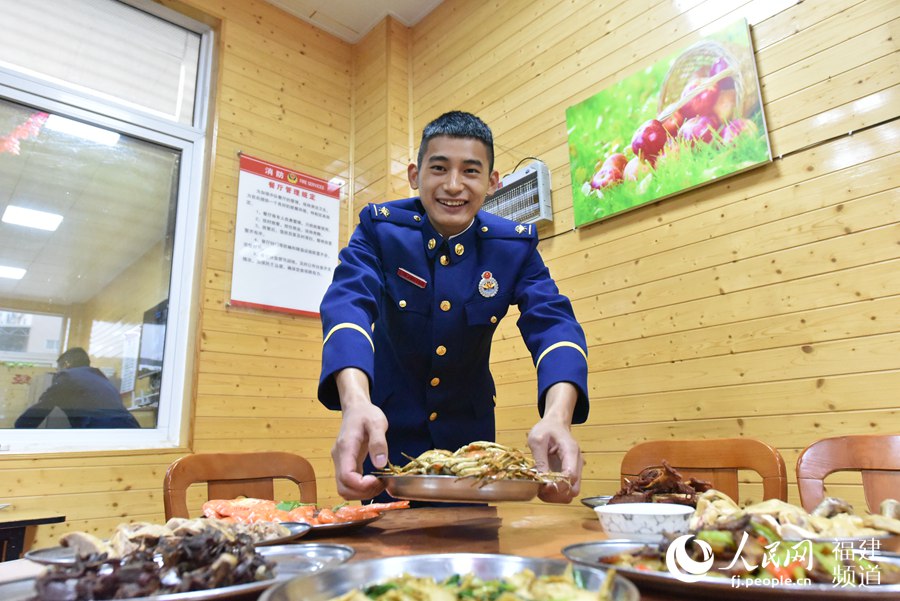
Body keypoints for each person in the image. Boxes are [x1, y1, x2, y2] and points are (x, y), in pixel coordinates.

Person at [318, 111, 589, 503]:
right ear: (415, 175)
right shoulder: (381, 231)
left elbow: (555, 326)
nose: (453, 185)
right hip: (387, 438)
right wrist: (355, 402)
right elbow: (347, 305)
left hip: (472, 452)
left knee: (474, 542)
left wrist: (558, 417)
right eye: (439, 168)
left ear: (492, 182)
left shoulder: (512, 247)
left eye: (471, 171)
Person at [14, 347, 141, 429]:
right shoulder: (101, 378)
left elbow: (44, 405)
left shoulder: (68, 376)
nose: (57, 372)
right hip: (131, 427)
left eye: (58, 368)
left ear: (66, 364)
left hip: (101, 430)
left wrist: (19, 428)